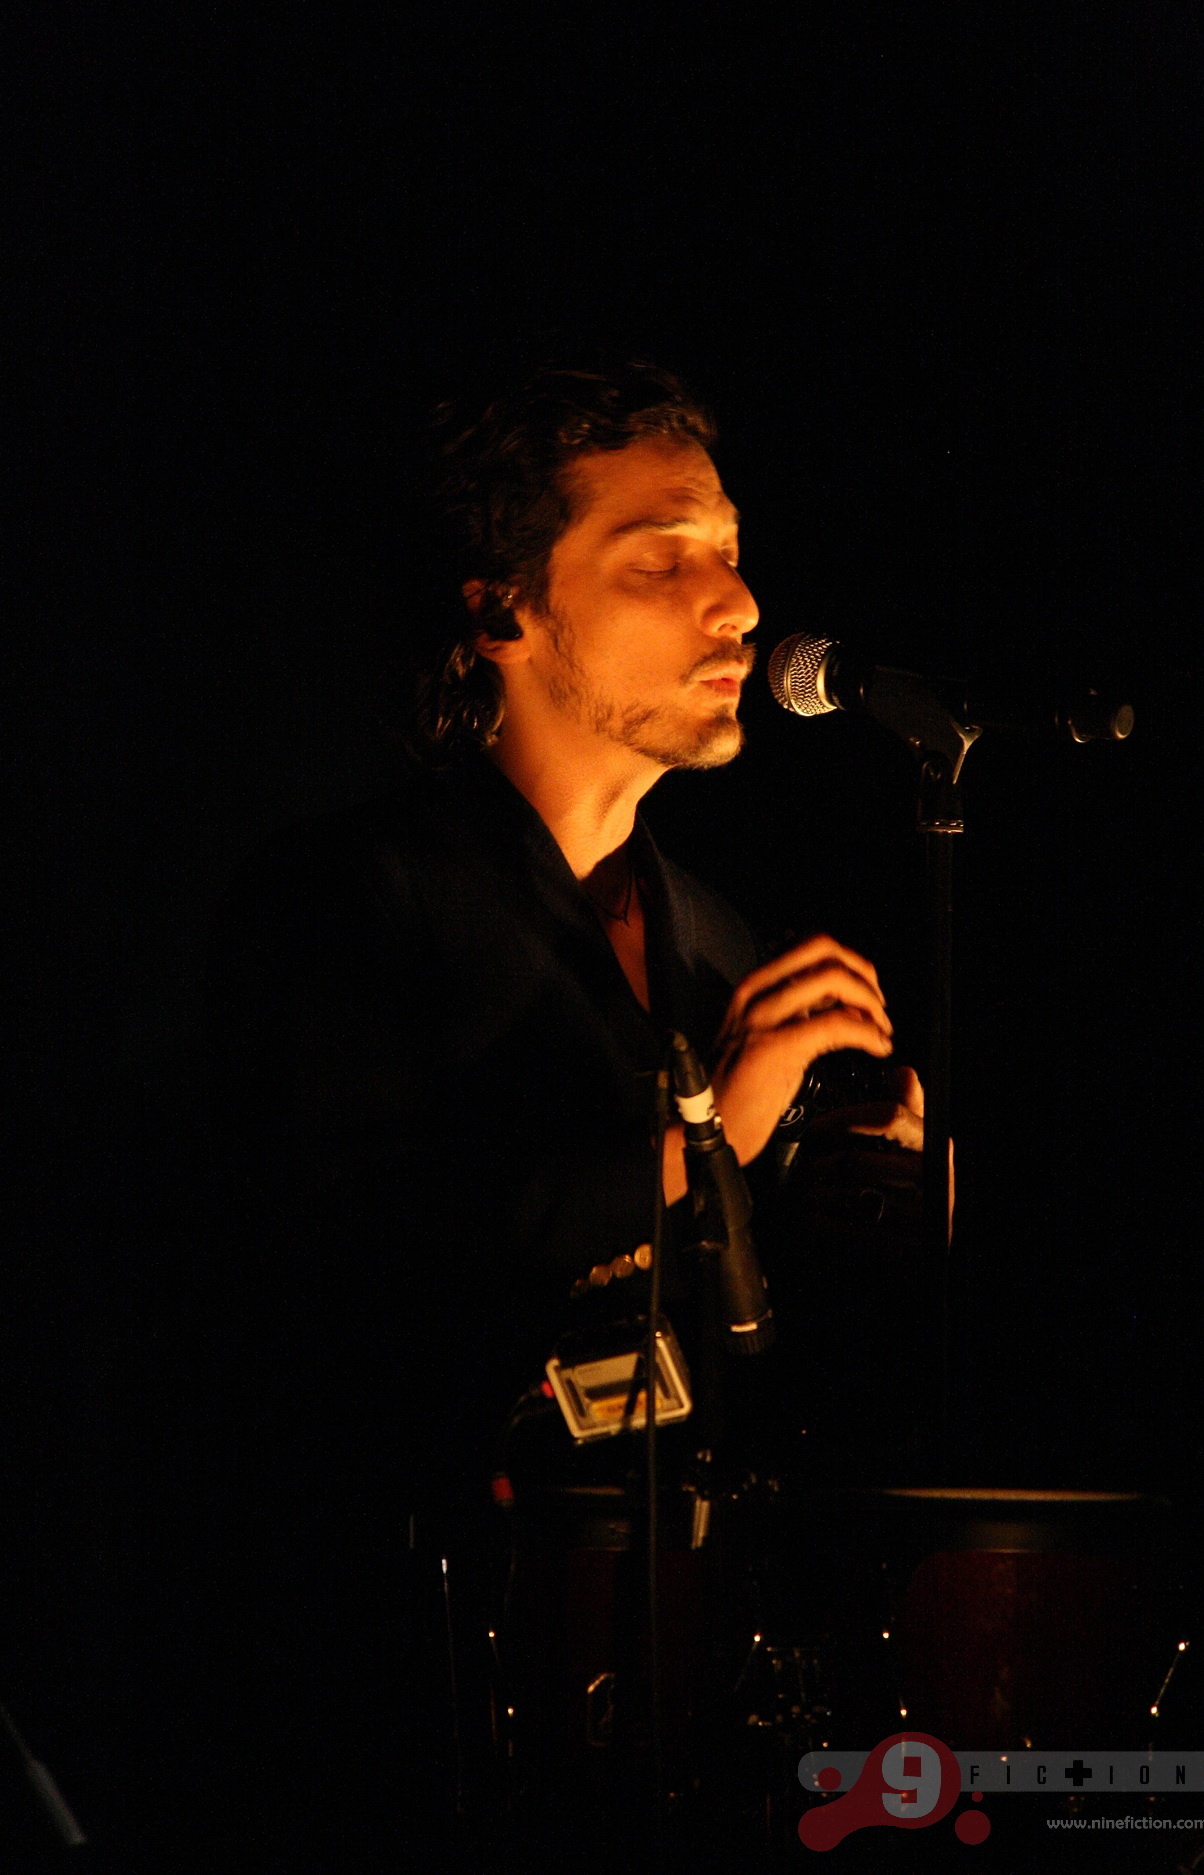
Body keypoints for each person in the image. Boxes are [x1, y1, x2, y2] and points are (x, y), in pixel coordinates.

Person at [197, 361, 926, 1868]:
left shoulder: (712, 938)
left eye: (731, 553)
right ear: (500, 614)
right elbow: (344, 1303)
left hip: (686, 1687)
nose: (736, 605)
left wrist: (862, 1186)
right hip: (413, 1695)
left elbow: (761, 1359)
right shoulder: (347, 902)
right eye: (661, 560)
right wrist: (712, 1131)